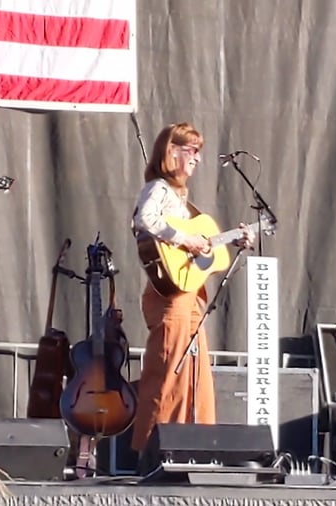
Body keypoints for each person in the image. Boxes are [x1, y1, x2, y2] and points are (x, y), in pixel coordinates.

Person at [129, 122, 254, 459]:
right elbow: (144, 219)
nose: (198, 158)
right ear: (172, 151)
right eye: (192, 150)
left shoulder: (181, 200)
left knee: (193, 378)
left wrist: (236, 241)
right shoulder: (158, 189)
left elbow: (205, 250)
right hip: (170, 301)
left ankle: (187, 449)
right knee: (168, 376)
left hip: (189, 300)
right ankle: (154, 453)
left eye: (199, 151)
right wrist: (185, 239)